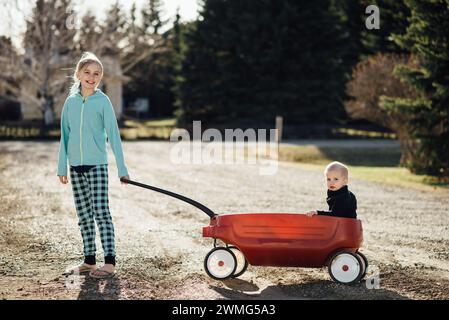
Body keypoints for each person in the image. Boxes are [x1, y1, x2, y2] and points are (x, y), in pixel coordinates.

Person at [57, 52, 129, 279]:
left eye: (96, 74)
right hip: (75, 167)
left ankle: (109, 262)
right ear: (78, 74)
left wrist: (122, 169)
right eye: (87, 72)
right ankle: (89, 261)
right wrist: (62, 167)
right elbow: (64, 136)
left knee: (101, 212)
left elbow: (114, 136)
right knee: (84, 215)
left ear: (100, 78)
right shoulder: (70, 102)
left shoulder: (103, 101)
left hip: (97, 165)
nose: (91, 77)